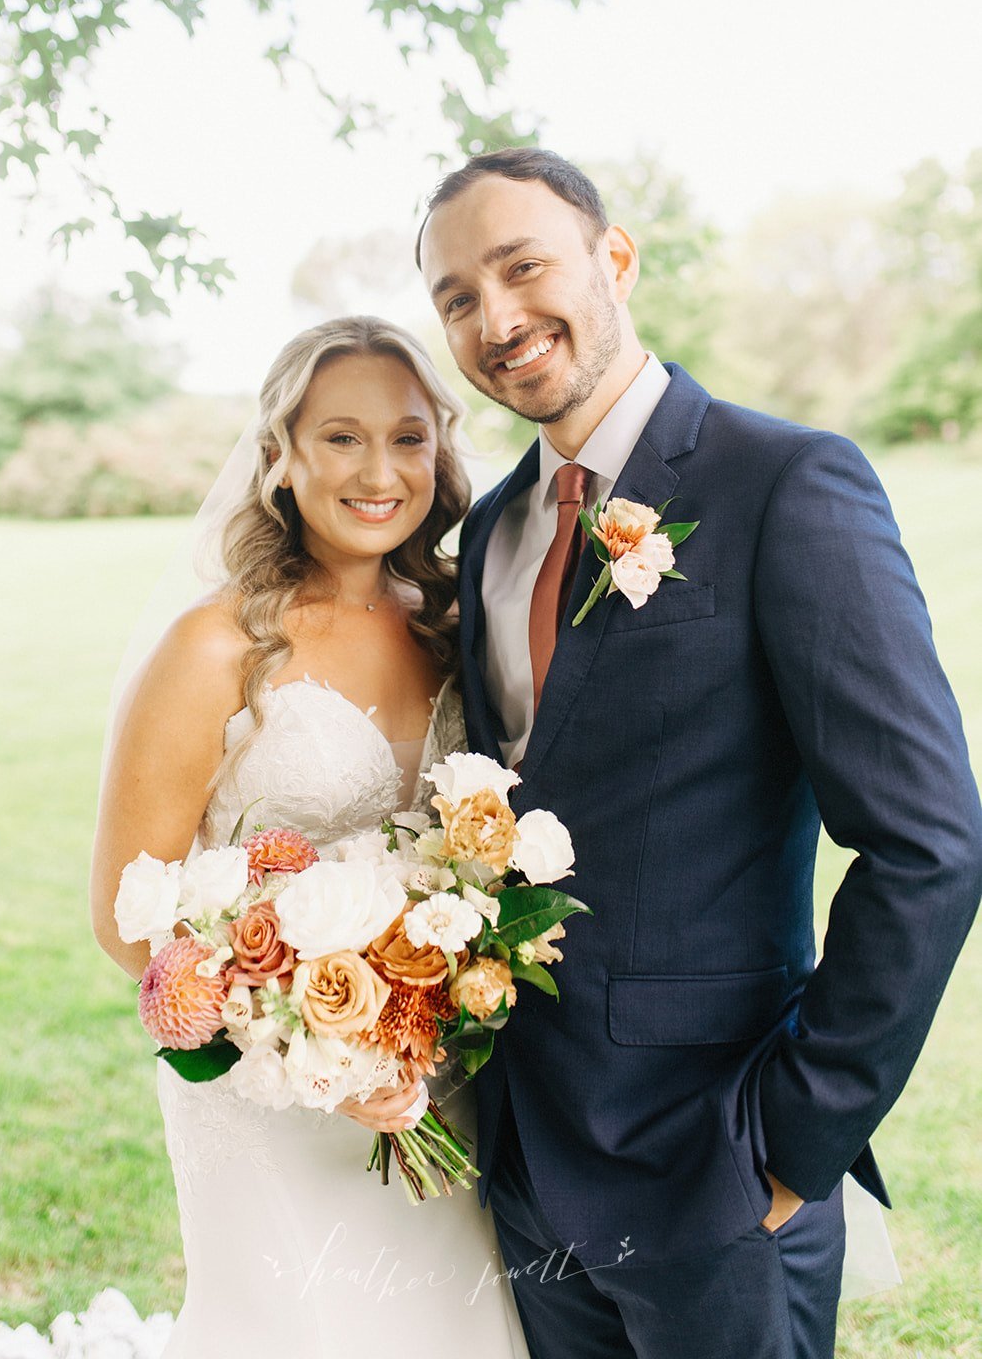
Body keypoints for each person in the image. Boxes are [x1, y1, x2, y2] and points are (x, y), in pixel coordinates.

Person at [415, 147, 982, 1359]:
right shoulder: (494, 529)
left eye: (522, 268)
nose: (495, 318)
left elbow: (927, 842)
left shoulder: (784, 482)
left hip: (717, 1165)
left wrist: (791, 1139)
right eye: (456, 297)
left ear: (614, 258)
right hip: (528, 1162)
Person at [89, 316, 529, 1358]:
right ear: (280, 455)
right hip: (269, 1092)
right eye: (340, 437)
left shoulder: (455, 621)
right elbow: (127, 916)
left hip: (440, 1074)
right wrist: (314, 1048)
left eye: (410, 438)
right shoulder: (213, 645)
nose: (379, 469)